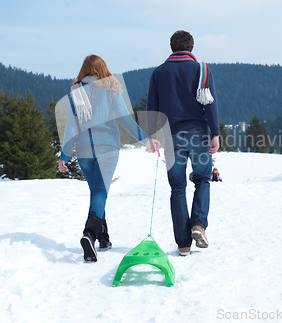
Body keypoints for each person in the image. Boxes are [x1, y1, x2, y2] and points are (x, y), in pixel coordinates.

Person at [57, 55, 158, 262]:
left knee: (96, 192)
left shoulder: (77, 92)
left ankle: (104, 238)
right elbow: (125, 119)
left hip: (84, 150)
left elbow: (71, 127)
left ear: (84, 70)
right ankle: (90, 234)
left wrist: (64, 155)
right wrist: (146, 139)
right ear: (103, 69)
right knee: (101, 191)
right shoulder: (111, 88)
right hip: (108, 147)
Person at [147, 30, 220, 256]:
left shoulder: (159, 72)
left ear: (171, 47)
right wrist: (215, 133)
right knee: (202, 179)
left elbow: (152, 106)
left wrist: (151, 135)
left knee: (177, 188)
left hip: (171, 137)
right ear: (191, 47)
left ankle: (183, 244)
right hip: (199, 134)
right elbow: (211, 105)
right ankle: (198, 225)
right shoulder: (202, 70)